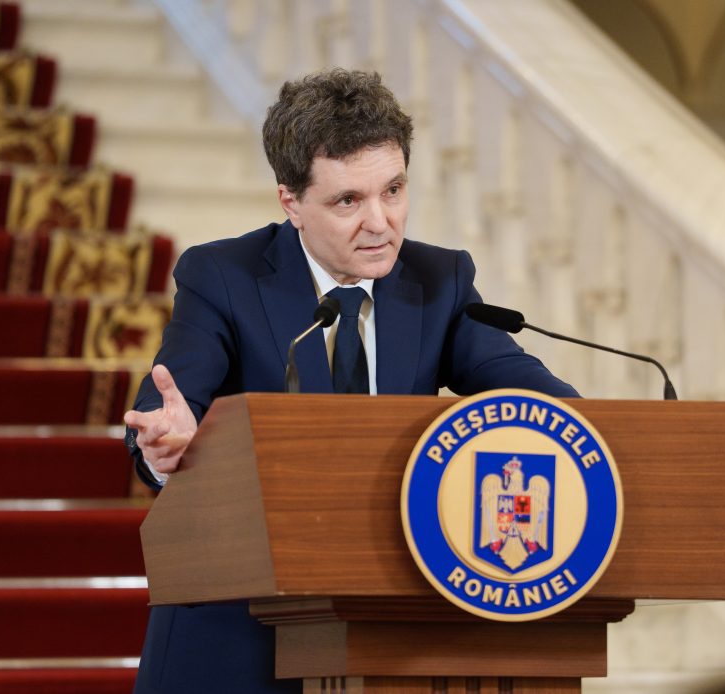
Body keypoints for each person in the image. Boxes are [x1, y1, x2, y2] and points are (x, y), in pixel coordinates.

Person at [123, 68, 577, 693]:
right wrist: (165, 445)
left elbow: (521, 382)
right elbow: (172, 399)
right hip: (239, 633)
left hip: (388, 636)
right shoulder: (223, 276)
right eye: (348, 201)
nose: (380, 222)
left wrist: (587, 423)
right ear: (291, 202)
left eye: (393, 190)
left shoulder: (439, 282)